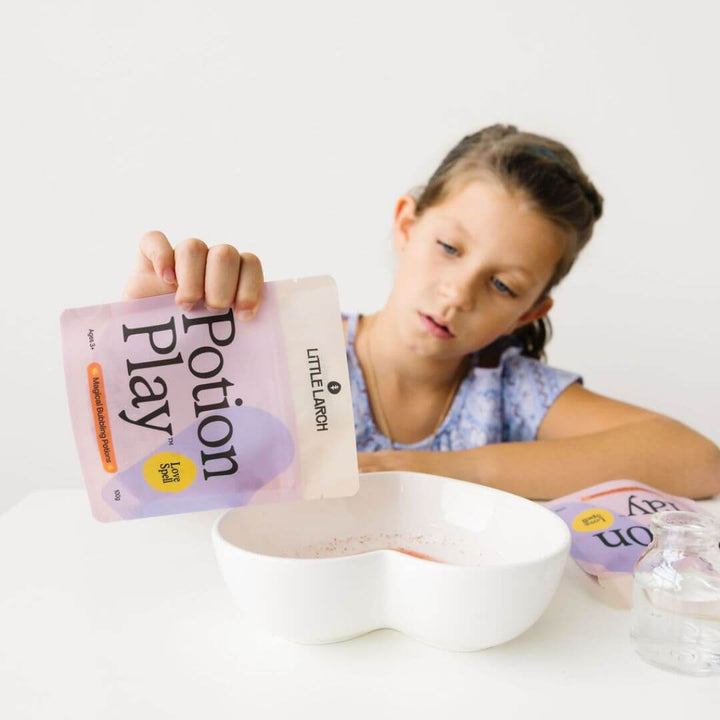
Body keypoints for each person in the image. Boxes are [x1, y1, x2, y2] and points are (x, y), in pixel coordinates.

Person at [122, 124, 720, 500]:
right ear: (408, 224)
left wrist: (430, 472)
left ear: (529, 312)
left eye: (504, 286)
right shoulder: (286, 353)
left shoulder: (509, 395)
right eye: (450, 248)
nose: (458, 294)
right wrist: (152, 338)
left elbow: (699, 462)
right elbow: (147, 472)